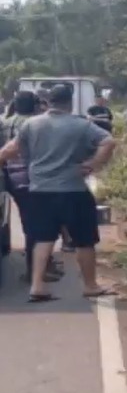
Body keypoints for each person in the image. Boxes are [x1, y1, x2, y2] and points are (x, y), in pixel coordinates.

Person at [0, 84, 117, 302]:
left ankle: (37, 286)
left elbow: (9, 150)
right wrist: (93, 163)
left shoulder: (31, 125)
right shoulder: (81, 125)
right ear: (69, 102)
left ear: (49, 102)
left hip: (40, 191)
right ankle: (90, 286)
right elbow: (108, 141)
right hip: (73, 190)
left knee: (43, 239)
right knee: (84, 240)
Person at [0, 91, 64, 283]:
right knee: (36, 226)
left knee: (30, 223)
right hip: (32, 178)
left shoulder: (5, 123)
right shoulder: (38, 124)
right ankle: (34, 272)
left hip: (9, 176)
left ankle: (38, 268)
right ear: (35, 105)